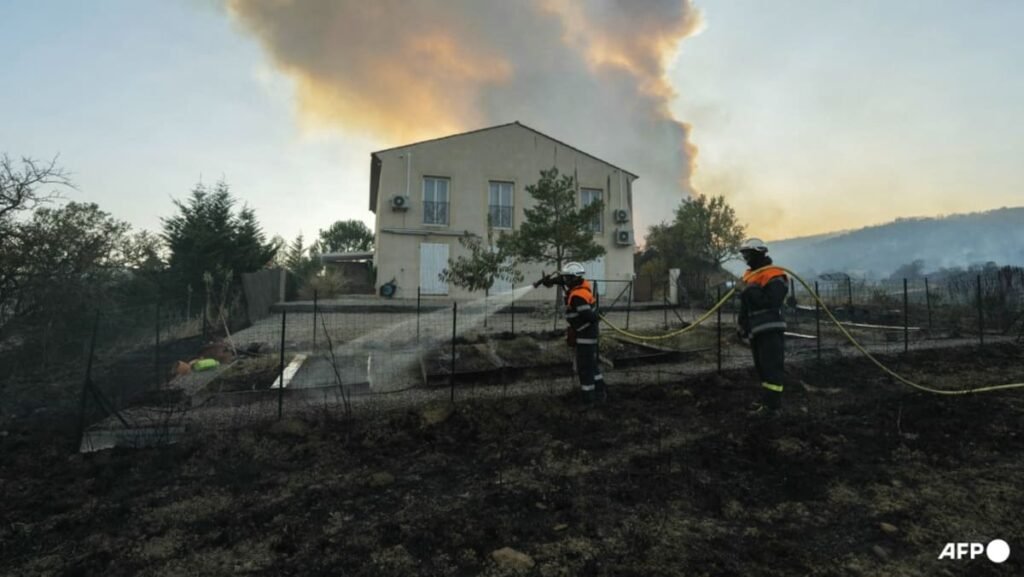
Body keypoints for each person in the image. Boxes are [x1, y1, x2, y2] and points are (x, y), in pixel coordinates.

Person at [539, 262, 605, 403]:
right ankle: (600, 393)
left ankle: (589, 399)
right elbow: (561, 280)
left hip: (585, 336)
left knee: (585, 368)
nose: (565, 281)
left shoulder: (577, 297)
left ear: (574, 278)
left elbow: (589, 316)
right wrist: (550, 282)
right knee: (591, 365)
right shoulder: (581, 287)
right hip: (587, 334)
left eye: (568, 278)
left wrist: (597, 315)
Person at [736, 238, 788, 414]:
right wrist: (741, 324)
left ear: (759, 253)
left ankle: (773, 408)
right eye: (744, 254)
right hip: (756, 331)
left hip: (770, 329)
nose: (746, 258)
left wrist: (749, 288)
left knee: (772, 369)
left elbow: (770, 301)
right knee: (763, 369)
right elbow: (746, 305)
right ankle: (767, 403)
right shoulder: (750, 276)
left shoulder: (774, 275)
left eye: (748, 254)